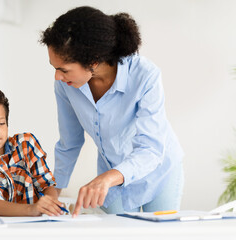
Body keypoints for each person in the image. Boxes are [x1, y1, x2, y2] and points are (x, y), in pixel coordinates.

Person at [40, 6, 184, 216]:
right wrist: (53, 192)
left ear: (93, 61)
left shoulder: (145, 75)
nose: (57, 77)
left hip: (158, 171)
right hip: (112, 176)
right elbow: (69, 142)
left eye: (63, 69)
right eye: (55, 68)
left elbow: (151, 149)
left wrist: (107, 178)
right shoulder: (65, 86)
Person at [0, 86, 65, 216]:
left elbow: (46, 183)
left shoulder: (26, 144)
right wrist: (32, 209)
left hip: (40, 226)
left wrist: (51, 205)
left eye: (1, 123)